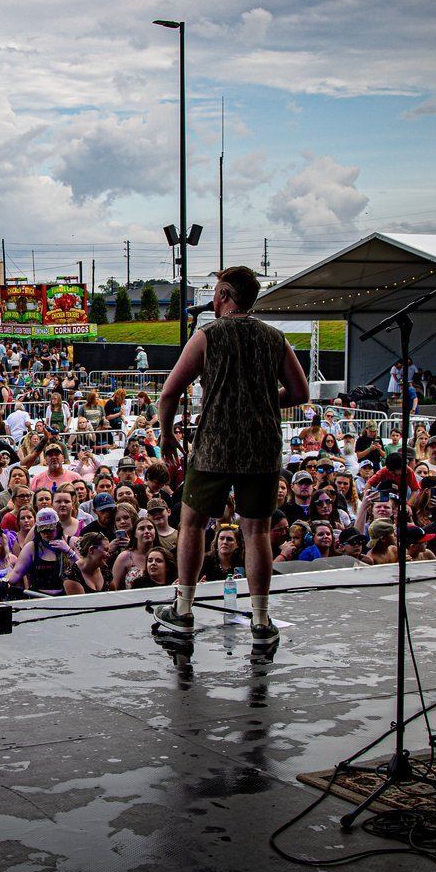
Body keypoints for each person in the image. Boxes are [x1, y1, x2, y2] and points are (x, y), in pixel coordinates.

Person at [153, 266, 308, 646]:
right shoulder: (275, 338)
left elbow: (169, 393)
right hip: (262, 447)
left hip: (215, 446)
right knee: (257, 532)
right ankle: (260, 618)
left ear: (223, 294)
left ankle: (184, 609)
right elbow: (300, 393)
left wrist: (167, 434)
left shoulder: (207, 335)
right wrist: (263, 402)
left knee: (191, 523)